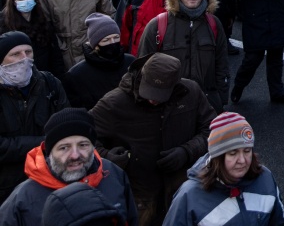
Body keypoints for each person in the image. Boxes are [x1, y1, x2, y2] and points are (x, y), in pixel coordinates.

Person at [90, 52, 215, 225]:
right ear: (142, 75)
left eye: (160, 94)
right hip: (140, 199)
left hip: (183, 191)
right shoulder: (114, 102)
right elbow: (83, 137)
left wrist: (187, 151)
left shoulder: (191, 92)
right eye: (149, 91)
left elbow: (213, 129)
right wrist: (107, 157)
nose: (152, 100)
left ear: (176, 83)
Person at [0, 107, 137, 226]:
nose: (75, 155)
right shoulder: (24, 197)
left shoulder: (113, 174)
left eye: (83, 145)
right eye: (64, 148)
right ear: (49, 152)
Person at [161, 112, 284, 226]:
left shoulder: (265, 178)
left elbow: (280, 222)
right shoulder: (189, 195)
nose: (242, 160)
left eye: (247, 151)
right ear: (218, 158)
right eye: (233, 153)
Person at [136, 0, 229, 113]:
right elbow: (142, 67)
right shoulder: (158, 25)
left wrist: (221, 99)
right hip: (168, 104)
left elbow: (221, 64)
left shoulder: (213, 24)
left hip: (206, 103)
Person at [0, 32, 69, 202]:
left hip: (50, 178)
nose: (24, 59)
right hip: (6, 186)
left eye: (28, 52)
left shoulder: (49, 83)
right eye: (15, 54)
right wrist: (45, 142)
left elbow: (66, 126)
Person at [0, 0, 64, 77]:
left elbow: (55, 55)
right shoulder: (4, 25)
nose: (25, 1)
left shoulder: (43, 21)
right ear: (14, 2)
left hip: (43, 75)